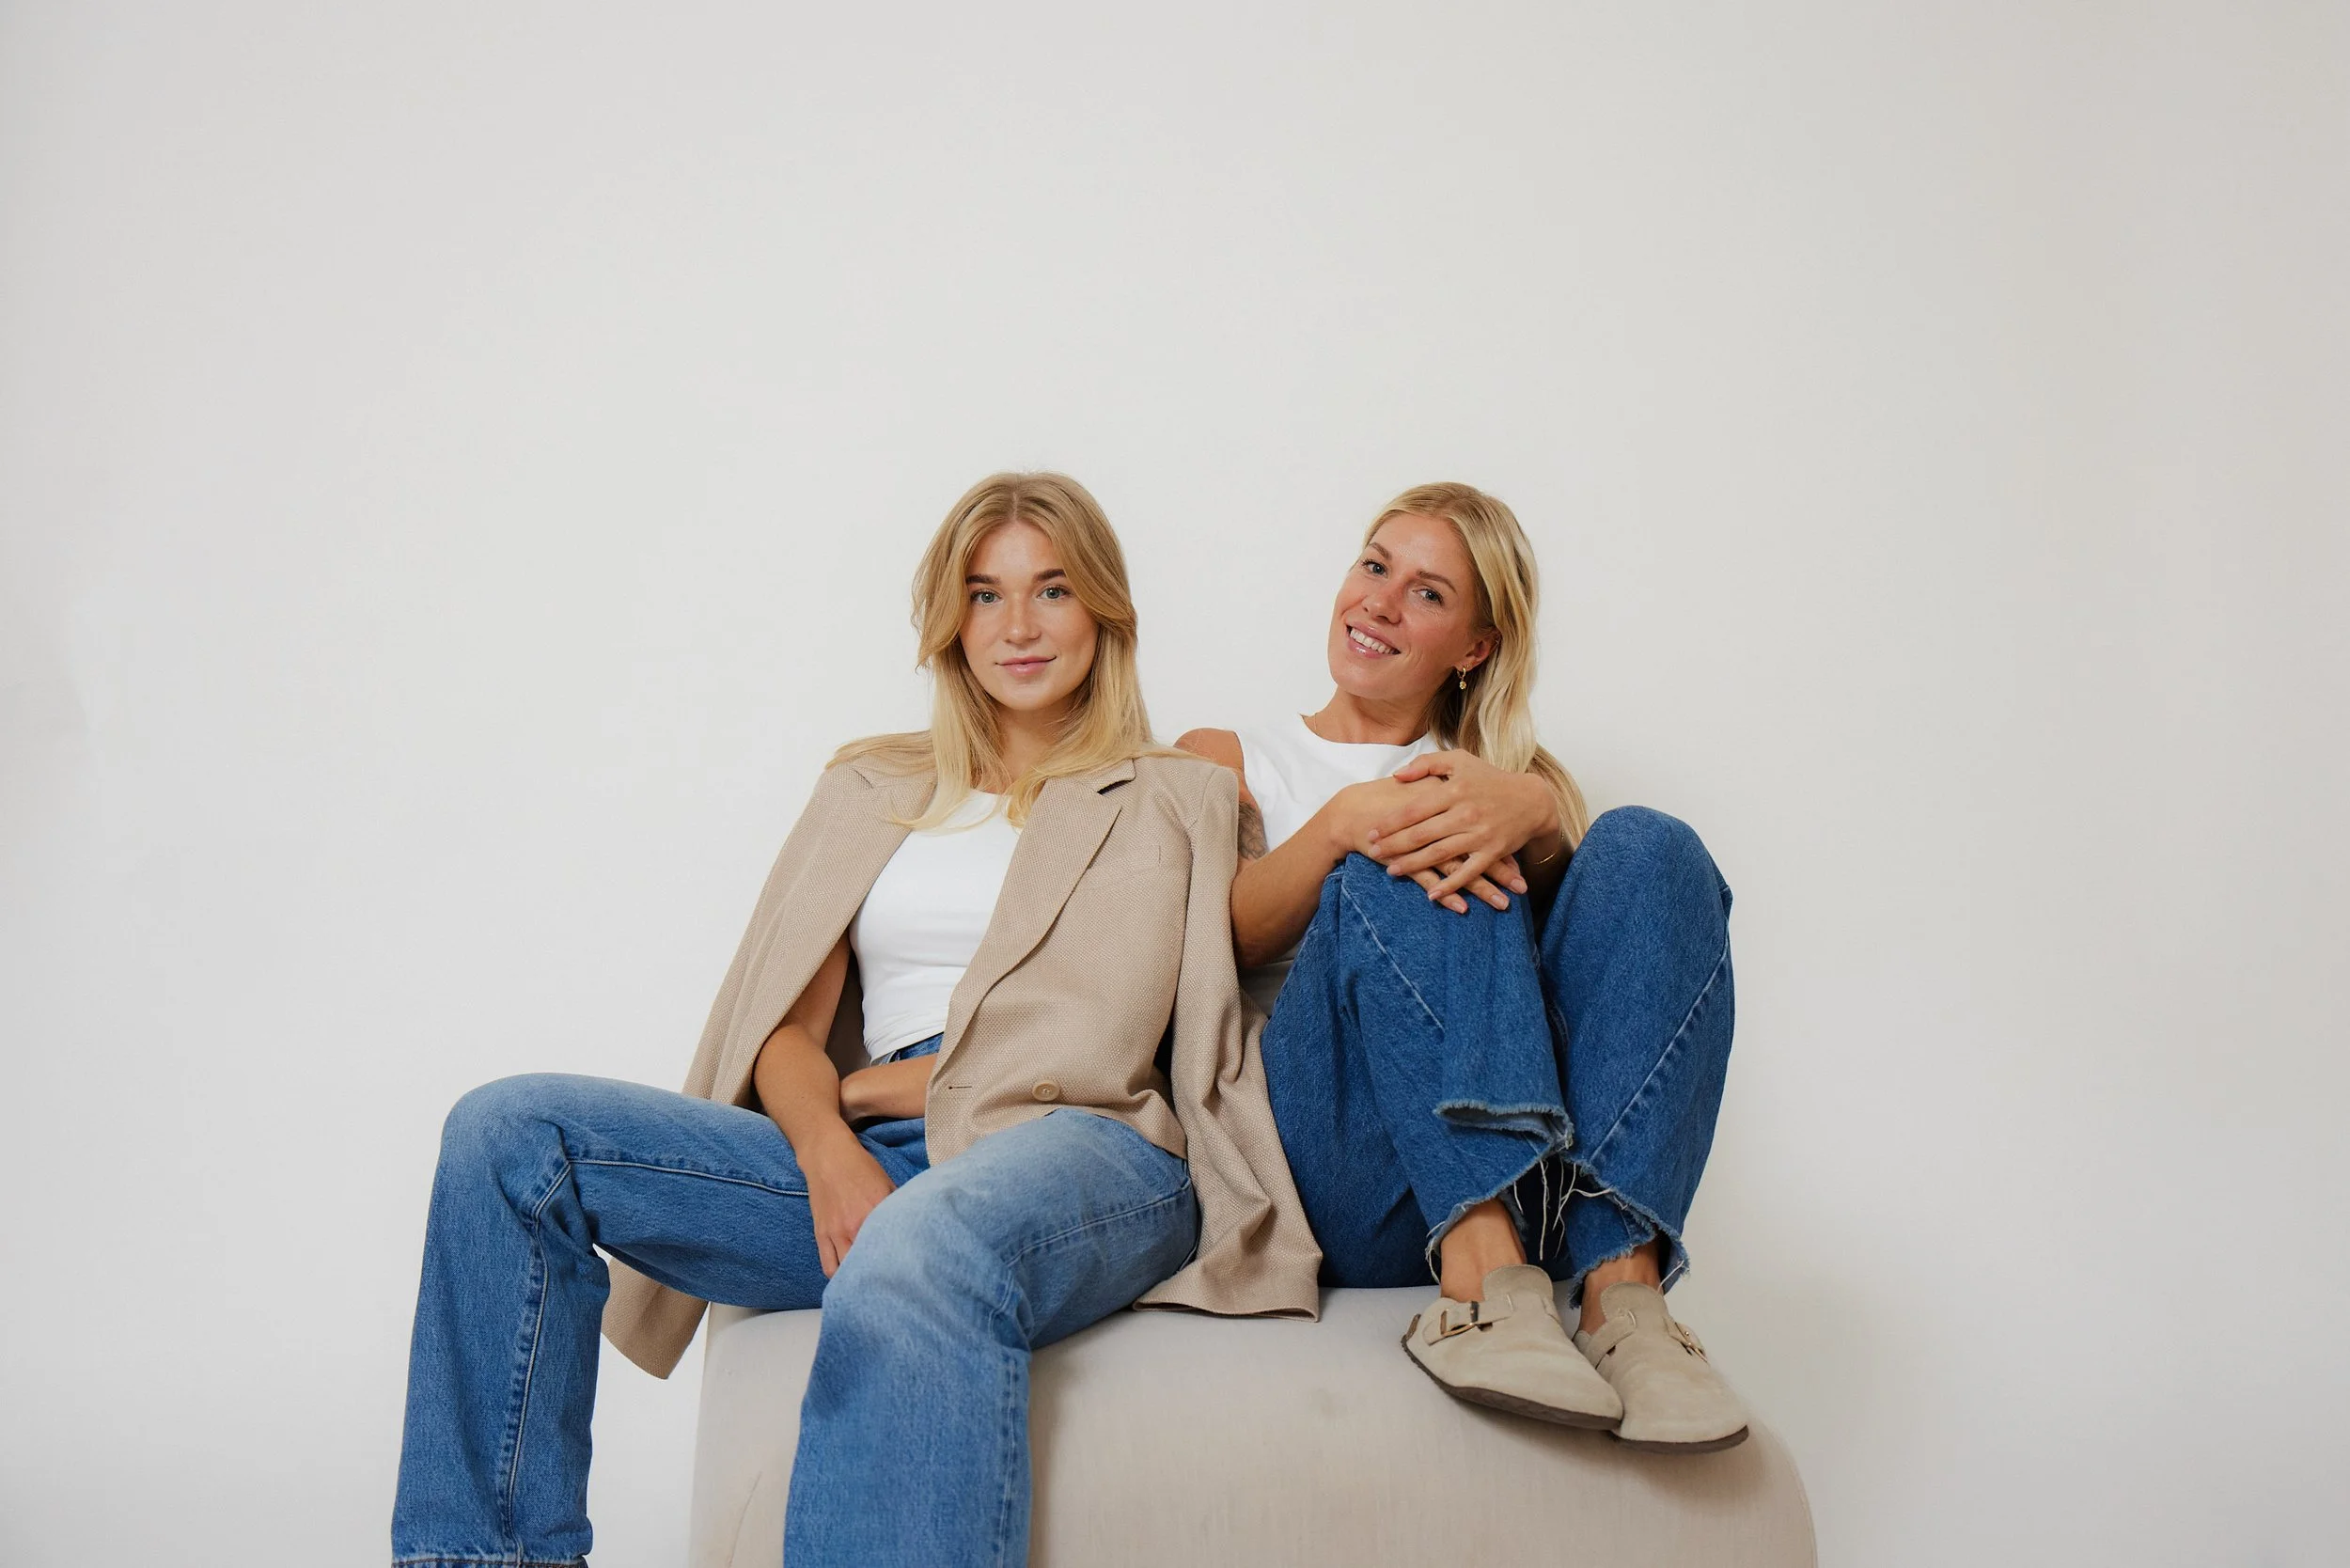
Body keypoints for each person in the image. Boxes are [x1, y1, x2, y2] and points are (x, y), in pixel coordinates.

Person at [391, 473, 1320, 1568]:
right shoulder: (872, 786)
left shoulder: (1178, 794)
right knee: (510, 1134)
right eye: (984, 595)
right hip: (872, 1146)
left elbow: (1134, 1036)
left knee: (923, 1239)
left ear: (1105, 611)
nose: (1017, 626)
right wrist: (829, 1146)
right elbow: (782, 1029)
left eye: (1052, 589)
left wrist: (896, 1088)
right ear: (948, 622)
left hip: (1087, 1150)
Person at [1178, 481, 1748, 1452]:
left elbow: (1592, 992)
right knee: (1404, 834)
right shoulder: (1223, 755)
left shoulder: (1502, 783)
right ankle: (1478, 1283)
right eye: (1373, 567)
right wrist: (1340, 829)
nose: (1380, 602)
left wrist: (1535, 820)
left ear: (1473, 647)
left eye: (1428, 593)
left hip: (1537, 1180)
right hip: (1333, 1164)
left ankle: (1624, 1300)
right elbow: (1198, 955)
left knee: (1653, 845)